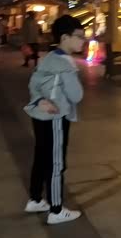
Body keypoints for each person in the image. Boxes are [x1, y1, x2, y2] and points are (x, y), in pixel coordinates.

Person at [23, 15, 85, 225]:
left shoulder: (47, 58)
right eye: (79, 37)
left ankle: (35, 199)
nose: (83, 41)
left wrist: (39, 100)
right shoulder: (65, 64)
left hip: (40, 116)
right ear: (65, 38)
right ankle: (56, 209)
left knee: (41, 157)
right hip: (56, 117)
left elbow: (33, 84)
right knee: (56, 162)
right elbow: (76, 96)